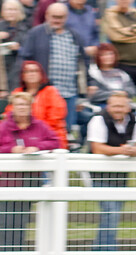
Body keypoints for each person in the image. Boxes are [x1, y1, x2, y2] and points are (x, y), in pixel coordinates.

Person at [87, 91, 136, 255]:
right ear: (108, 106)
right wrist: (122, 150)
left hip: (120, 176)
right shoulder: (98, 120)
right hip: (98, 175)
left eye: (121, 106)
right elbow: (96, 148)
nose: (118, 109)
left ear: (128, 107)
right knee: (110, 210)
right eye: (114, 106)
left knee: (112, 213)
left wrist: (135, 151)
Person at [0, 91, 60, 252]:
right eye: (19, 104)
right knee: (6, 219)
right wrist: (10, 149)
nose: (22, 108)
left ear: (30, 106)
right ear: (12, 106)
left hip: (30, 180)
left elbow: (55, 141)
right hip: (7, 182)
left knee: (21, 218)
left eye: (25, 104)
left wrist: (37, 147)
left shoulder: (39, 126)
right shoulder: (3, 127)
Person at [18, 3, 89, 135]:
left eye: (61, 17)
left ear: (66, 17)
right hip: (43, 92)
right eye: (54, 17)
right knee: (41, 130)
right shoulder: (36, 33)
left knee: (65, 130)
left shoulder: (74, 36)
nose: (57, 20)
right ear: (47, 16)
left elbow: (83, 62)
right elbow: (24, 59)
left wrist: (84, 89)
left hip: (69, 93)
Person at [103, 0, 136, 114]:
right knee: (124, 101)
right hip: (123, 66)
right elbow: (117, 36)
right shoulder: (111, 15)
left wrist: (129, 30)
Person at [5, 61, 67, 149]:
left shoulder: (51, 92)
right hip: (19, 141)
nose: (31, 74)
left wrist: (33, 137)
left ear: (41, 74)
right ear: (22, 75)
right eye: (27, 71)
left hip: (48, 139)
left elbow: (55, 119)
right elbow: (9, 117)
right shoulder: (17, 92)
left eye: (35, 71)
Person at [0, 0, 28, 95]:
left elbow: (30, 51)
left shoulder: (25, 28)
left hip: (18, 70)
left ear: (20, 12)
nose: (11, 12)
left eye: (14, 9)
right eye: (8, 9)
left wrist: (19, 49)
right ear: (3, 12)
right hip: (2, 70)